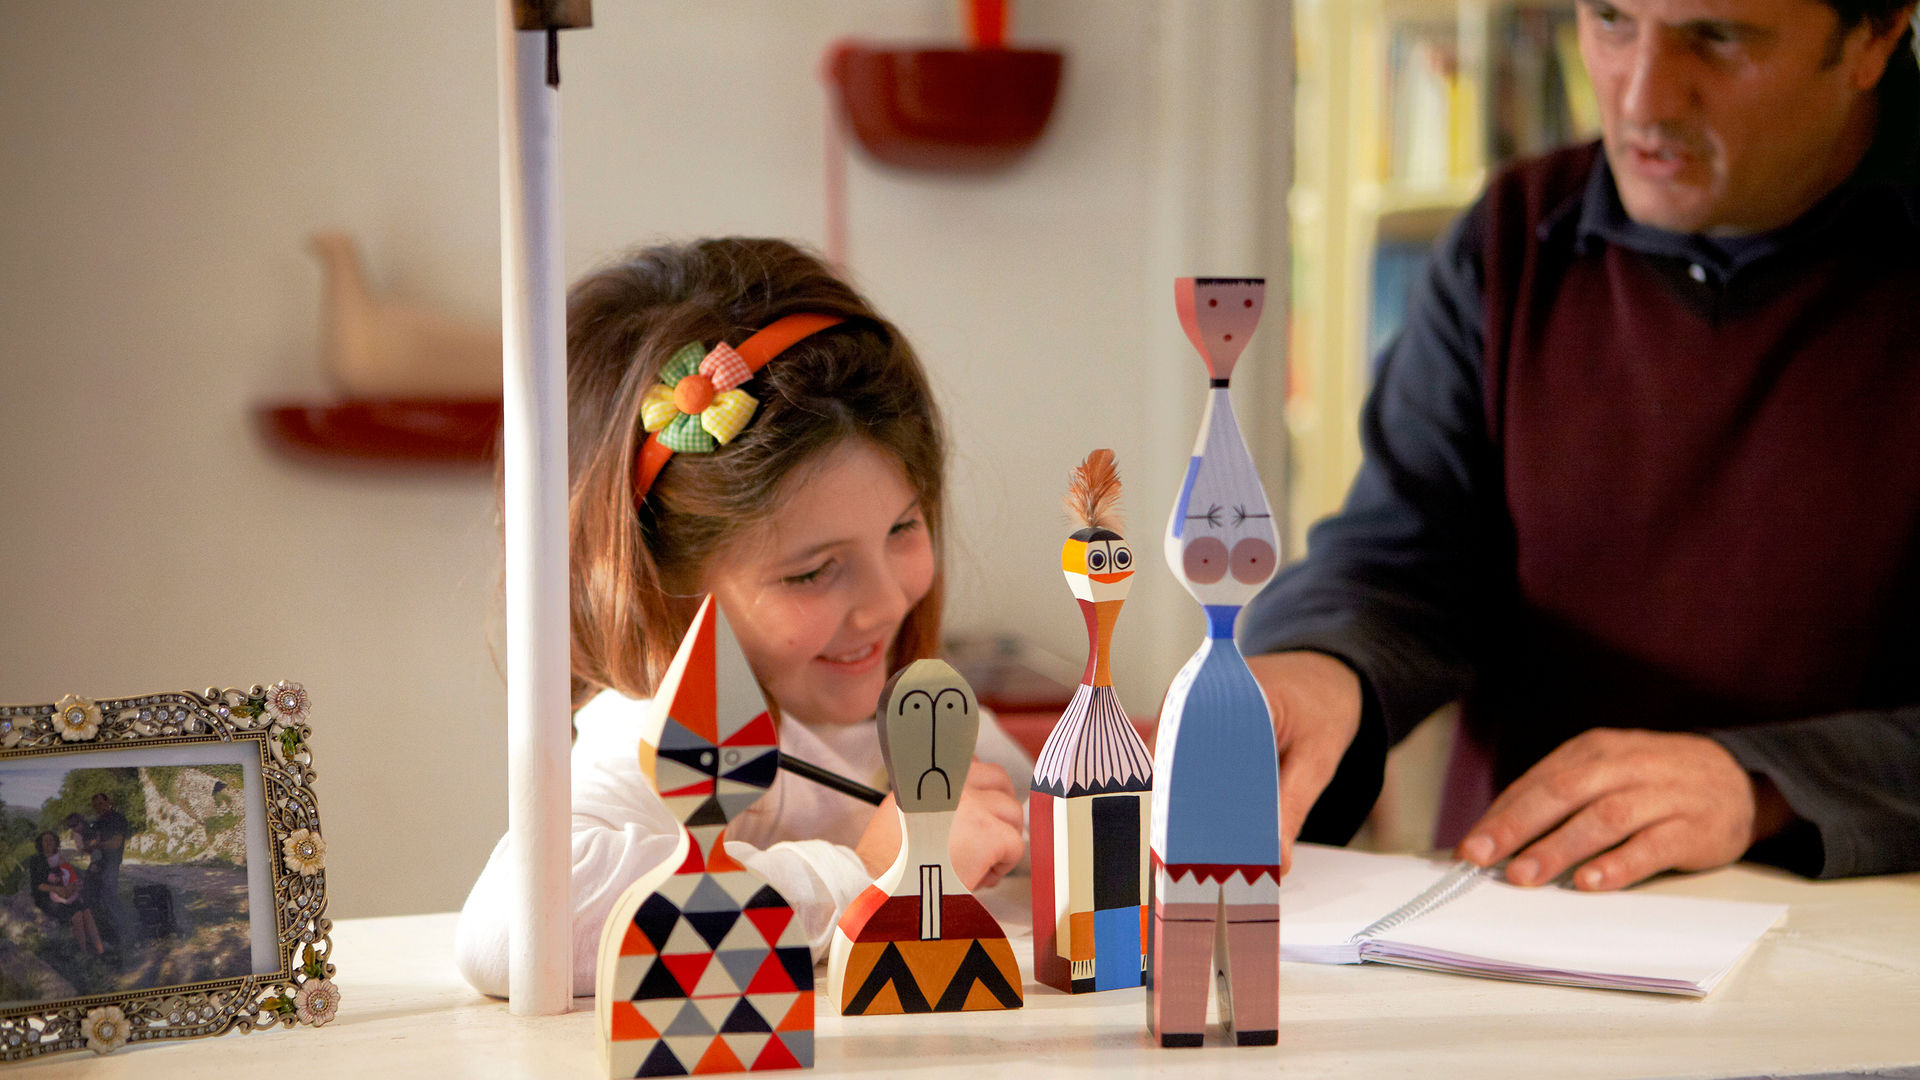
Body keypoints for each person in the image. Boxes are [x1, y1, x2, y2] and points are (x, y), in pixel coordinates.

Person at [1243, 0, 1920, 891]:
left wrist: (1764, 784)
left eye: (1717, 37)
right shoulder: (1510, 236)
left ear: (1876, 33)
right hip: (1515, 917)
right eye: (1609, 20)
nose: (1643, 99)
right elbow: (1400, 561)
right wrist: (1325, 667)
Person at [455, 238, 1030, 997]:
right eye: (812, 571)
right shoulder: (657, 737)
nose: (889, 602)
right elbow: (514, 928)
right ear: (654, 583)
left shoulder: (918, 716)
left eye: (904, 527)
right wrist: (870, 872)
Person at [28, 831, 105, 956]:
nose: (48, 843)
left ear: (56, 843)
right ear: (40, 844)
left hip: (65, 894)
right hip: (46, 897)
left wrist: (74, 886)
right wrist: (57, 889)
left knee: (86, 911)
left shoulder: (60, 858)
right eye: (45, 840)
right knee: (77, 915)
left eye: (51, 840)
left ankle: (100, 950)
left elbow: (71, 878)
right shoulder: (36, 860)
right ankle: (84, 953)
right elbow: (37, 885)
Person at [83, 791, 129, 948]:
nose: (99, 807)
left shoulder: (117, 819)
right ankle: (107, 934)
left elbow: (116, 843)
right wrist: (90, 846)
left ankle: (125, 932)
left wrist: (96, 845)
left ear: (108, 802)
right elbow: (89, 846)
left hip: (111, 863)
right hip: (97, 864)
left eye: (101, 803)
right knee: (94, 897)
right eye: (95, 805)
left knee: (109, 896)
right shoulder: (97, 823)